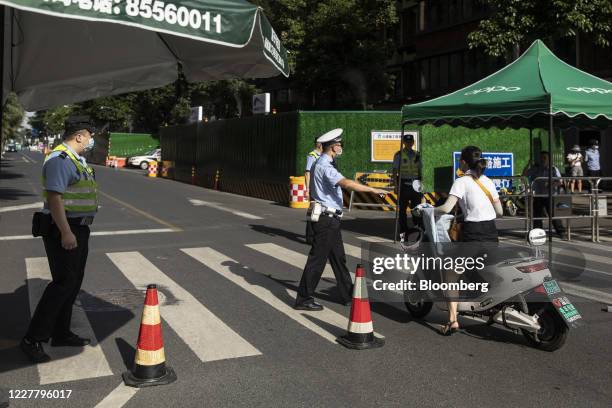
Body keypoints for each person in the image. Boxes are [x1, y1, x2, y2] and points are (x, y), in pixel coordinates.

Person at [20, 116, 99, 363]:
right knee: (63, 283)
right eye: (90, 135)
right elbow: (55, 198)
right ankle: (32, 339)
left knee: (73, 283)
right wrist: (66, 232)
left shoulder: (77, 159)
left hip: (80, 228)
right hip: (64, 228)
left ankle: (61, 332)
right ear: (79, 136)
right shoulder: (59, 159)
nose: (91, 139)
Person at [295, 129, 389, 310]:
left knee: (338, 258)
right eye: (340, 145)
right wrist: (373, 190)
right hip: (326, 219)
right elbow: (346, 183)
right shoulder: (325, 166)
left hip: (329, 218)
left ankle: (347, 294)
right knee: (317, 259)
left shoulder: (322, 162)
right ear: (332, 147)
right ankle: (304, 298)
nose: (341, 147)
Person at [433, 146, 503, 335]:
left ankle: (452, 320)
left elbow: (447, 208)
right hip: (491, 233)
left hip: (473, 234)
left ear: (464, 162)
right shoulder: (488, 181)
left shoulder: (461, 181)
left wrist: (431, 210)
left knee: (450, 273)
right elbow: (500, 212)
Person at [523, 151, 566, 237]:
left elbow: (560, 182)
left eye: (544, 158)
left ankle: (560, 231)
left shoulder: (554, 169)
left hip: (550, 195)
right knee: (537, 214)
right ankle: (538, 232)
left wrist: (551, 184)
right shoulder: (536, 168)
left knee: (553, 214)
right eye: (541, 158)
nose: (542, 160)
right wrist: (528, 164)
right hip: (538, 195)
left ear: (549, 159)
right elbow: (524, 175)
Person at [392, 134, 424, 241]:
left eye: (411, 142)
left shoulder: (418, 155)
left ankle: (417, 229)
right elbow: (395, 171)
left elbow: (421, 172)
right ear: (404, 142)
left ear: (413, 142)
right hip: (403, 184)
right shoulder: (399, 155)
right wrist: (396, 186)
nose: (409, 144)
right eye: (407, 142)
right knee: (402, 211)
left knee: (416, 210)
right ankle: (403, 232)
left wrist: (422, 186)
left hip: (416, 185)